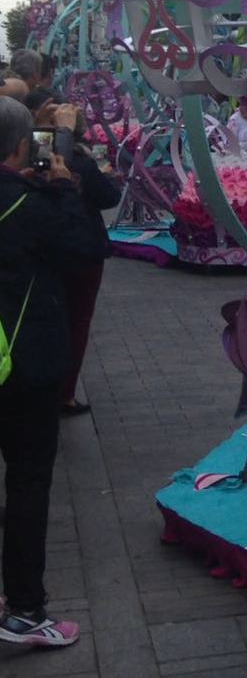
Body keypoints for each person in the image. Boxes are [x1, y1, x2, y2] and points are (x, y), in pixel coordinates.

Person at [0, 96, 105, 646]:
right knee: (28, 481)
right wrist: (64, 182)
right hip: (24, 366)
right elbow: (85, 247)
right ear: (22, 147)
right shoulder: (31, 203)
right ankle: (23, 609)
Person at [32, 102, 121, 417]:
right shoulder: (78, 164)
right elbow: (110, 197)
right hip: (83, 253)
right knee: (77, 322)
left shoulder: (29, 165)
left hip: (43, 254)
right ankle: (64, 393)